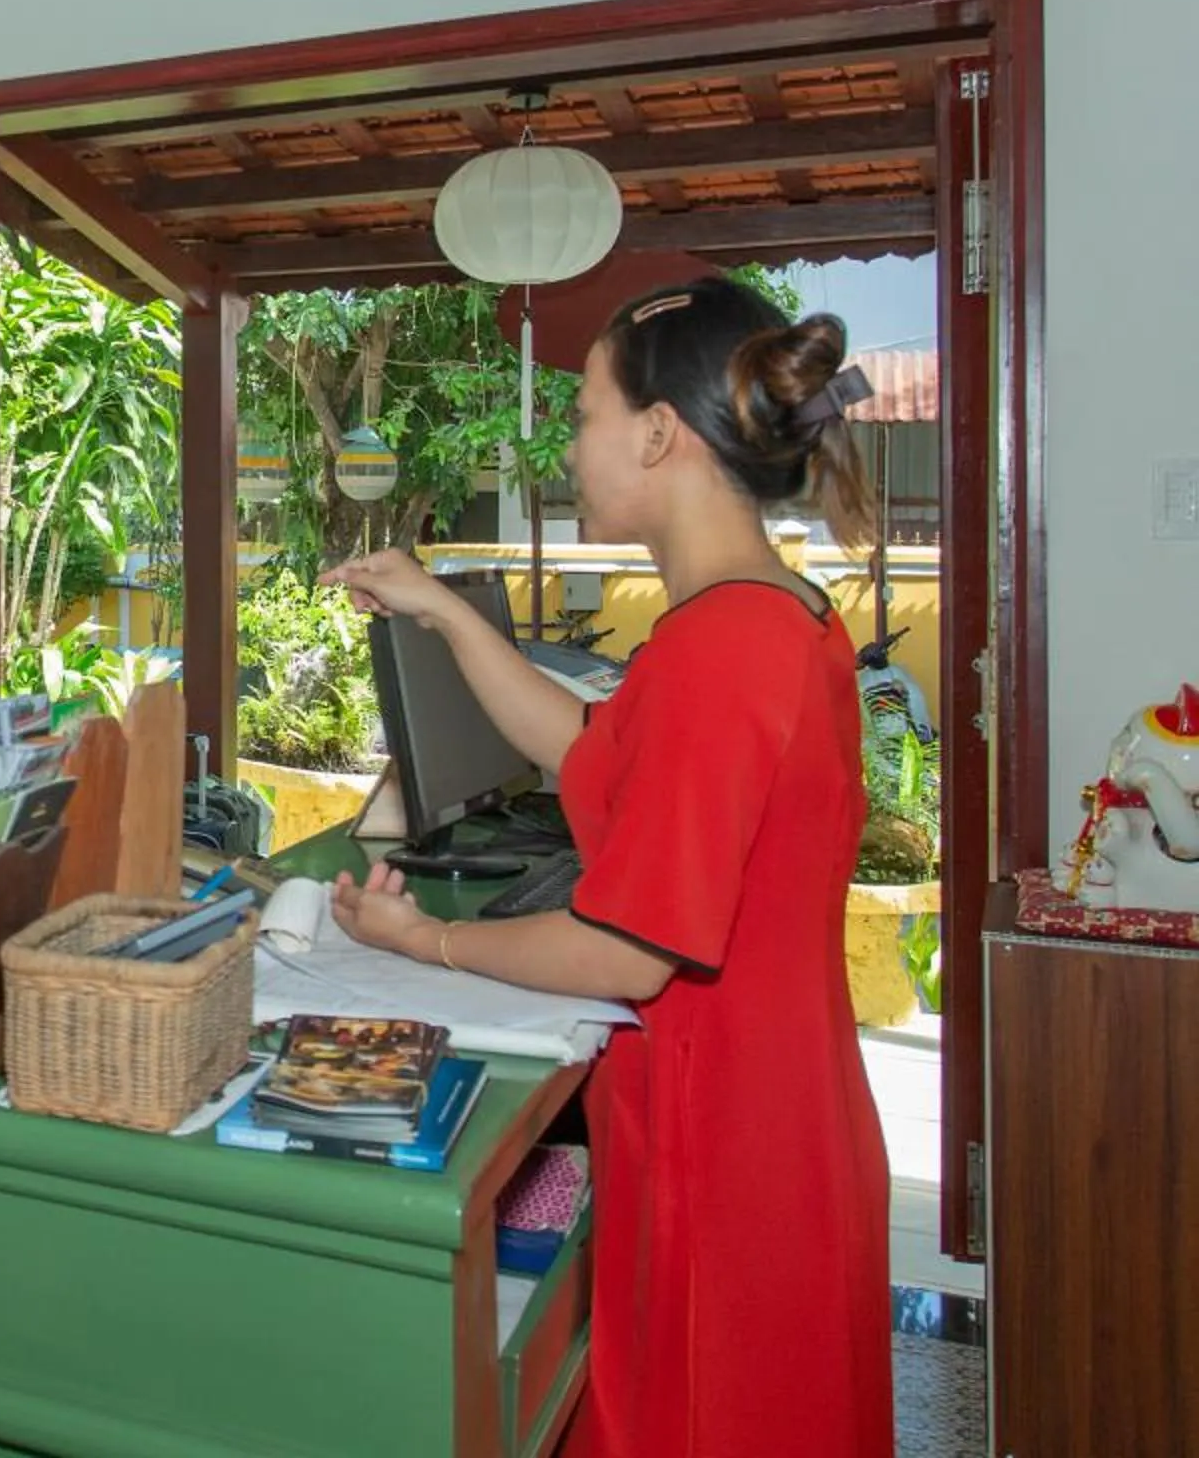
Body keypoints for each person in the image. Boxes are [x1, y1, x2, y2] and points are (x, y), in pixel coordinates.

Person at [319, 277, 892, 1458]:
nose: (568, 444)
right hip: (775, 1120)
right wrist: (444, 612)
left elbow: (625, 948)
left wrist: (419, 940)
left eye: (583, 410)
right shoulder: (772, 614)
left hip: (726, 1153)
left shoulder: (722, 650)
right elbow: (595, 750)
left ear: (659, 431)